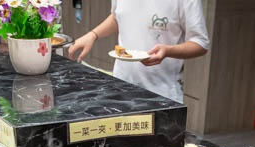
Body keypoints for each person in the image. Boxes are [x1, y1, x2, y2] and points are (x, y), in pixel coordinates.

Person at [67, 0, 209, 103]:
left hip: (161, 95)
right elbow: (118, 17)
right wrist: (93, 34)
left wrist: (168, 51)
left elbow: (200, 43)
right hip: (120, 87)